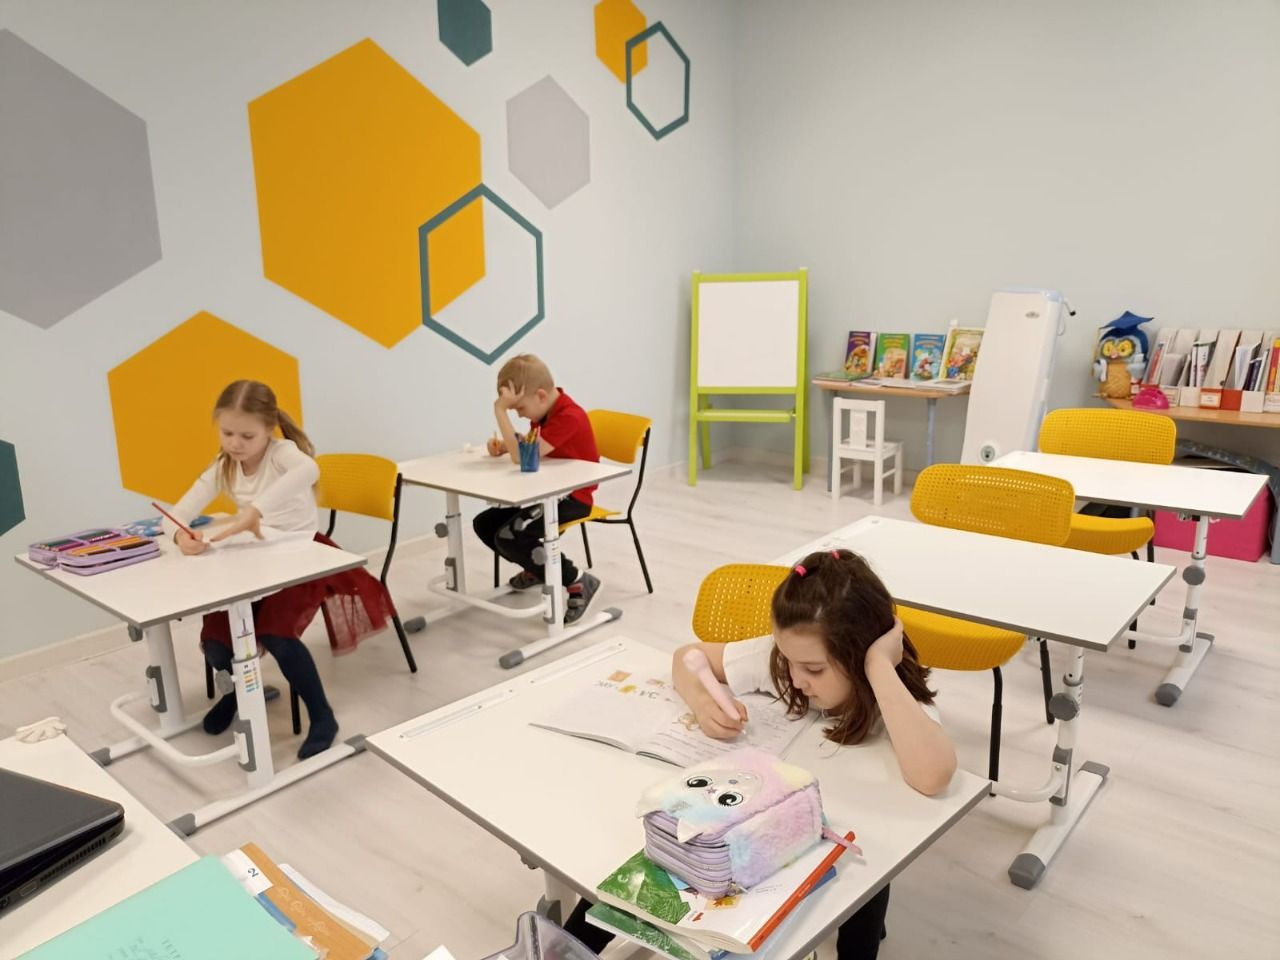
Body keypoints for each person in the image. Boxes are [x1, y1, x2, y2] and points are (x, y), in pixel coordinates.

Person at [564, 548, 956, 958]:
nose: (797, 679)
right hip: (752, 827)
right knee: (660, 855)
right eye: (789, 661)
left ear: (860, 653)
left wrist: (879, 667)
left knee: (865, 872)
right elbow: (688, 657)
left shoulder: (894, 695)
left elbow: (933, 776)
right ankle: (560, 948)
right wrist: (703, 702)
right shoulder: (786, 661)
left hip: (847, 835)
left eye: (814, 669)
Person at [162, 380, 393, 759]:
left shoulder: (283, 454)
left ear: (269, 429)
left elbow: (309, 470)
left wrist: (255, 511)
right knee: (217, 643)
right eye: (227, 433)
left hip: (301, 555)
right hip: (253, 559)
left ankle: (323, 716)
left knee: (277, 634)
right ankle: (238, 694)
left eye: (247, 436)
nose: (236, 444)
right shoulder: (223, 466)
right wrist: (178, 536)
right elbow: (174, 515)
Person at [474, 354, 601, 623]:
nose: (519, 414)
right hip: (548, 493)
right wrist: (507, 446)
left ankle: (577, 580)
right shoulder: (545, 414)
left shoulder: (569, 416)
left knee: (510, 536)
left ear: (541, 396)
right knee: (485, 524)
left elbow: (522, 458)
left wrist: (499, 411)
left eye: (519, 408)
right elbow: (533, 449)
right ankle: (537, 567)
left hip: (573, 497)